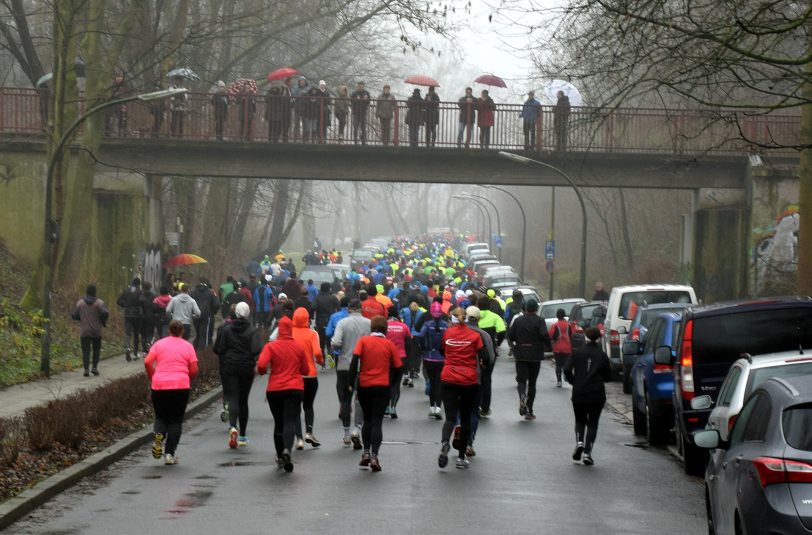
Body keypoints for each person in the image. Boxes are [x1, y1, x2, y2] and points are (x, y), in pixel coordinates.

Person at [348, 315, 402, 472]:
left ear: (371, 327)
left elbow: (354, 361)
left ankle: (365, 453)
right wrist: (391, 384)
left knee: (367, 420)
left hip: (365, 385)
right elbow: (399, 368)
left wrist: (351, 383)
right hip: (382, 386)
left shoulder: (363, 341)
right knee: (377, 422)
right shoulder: (389, 344)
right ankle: (374, 456)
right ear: (385, 329)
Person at [256, 316, 310, 472]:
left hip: (275, 390)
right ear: (291, 329)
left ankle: (280, 455)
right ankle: (287, 449)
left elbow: (261, 365)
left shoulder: (271, 346)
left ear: (278, 329)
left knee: (278, 422)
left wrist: (261, 372)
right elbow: (305, 370)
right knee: (290, 421)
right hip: (294, 388)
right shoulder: (298, 347)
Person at [144, 320, 198, 465]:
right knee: (175, 420)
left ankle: (158, 437)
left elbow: (148, 362)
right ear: (182, 332)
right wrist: (186, 378)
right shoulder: (188, 346)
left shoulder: (159, 344)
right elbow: (194, 370)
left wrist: (153, 376)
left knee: (161, 417)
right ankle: (169, 455)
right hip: (180, 386)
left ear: (169, 331)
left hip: (159, 385)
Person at [437, 307, 483, 470]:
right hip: (468, 381)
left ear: (453, 319)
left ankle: (444, 443)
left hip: (448, 377)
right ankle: (461, 458)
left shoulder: (447, 334)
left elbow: (442, 350)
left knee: (450, 418)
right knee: (465, 419)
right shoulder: (475, 336)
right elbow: (482, 354)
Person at [214, 302, 262, 449]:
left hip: (230, 366)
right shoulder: (253, 331)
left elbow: (218, 348)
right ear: (248, 314)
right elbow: (256, 349)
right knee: (243, 401)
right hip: (246, 367)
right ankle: (242, 436)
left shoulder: (227, 330)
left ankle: (233, 427)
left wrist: (228, 354)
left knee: (233, 397)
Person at [563, 327, 611, 466]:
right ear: (598, 339)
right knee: (593, 422)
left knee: (580, 419)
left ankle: (579, 442)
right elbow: (608, 376)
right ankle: (587, 453)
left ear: (585, 337)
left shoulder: (577, 352)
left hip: (579, 391)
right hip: (596, 392)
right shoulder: (601, 355)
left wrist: (573, 381)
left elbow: (566, 369)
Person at [331, 298, 371, 448]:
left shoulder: (342, 323)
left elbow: (335, 342)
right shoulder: (368, 323)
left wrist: (339, 348)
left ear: (349, 309)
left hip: (345, 366)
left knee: (346, 401)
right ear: (361, 309)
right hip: (363, 367)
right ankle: (357, 429)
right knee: (360, 400)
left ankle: (346, 434)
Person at [507, 299, 551, 420]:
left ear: (525, 308)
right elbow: (543, 334)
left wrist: (517, 344)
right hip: (535, 355)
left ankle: (522, 395)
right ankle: (529, 410)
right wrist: (548, 345)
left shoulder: (518, 320)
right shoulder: (540, 321)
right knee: (532, 383)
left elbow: (510, 335)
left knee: (521, 380)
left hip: (521, 354)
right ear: (536, 309)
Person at [290, 307, 324, 449]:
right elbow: (317, 352)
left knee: (295, 407)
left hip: (294, 374)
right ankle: (309, 432)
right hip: (310, 375)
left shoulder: (289, 333)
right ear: (307, 319)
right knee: (308, 405)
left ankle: (299, 439)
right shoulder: (312, 333)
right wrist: (320, 361)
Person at [464, 306, 495, 456]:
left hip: (454, 377)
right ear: (479, 319)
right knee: (473, 411)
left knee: (459, 409)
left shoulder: (456, 333)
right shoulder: (484, 335)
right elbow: (490, 357)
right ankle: (469, 442)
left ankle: (458, 430)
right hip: (475, 377)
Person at [71, 284, 109, 377]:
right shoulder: (99, 303)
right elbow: (105, 312)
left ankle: (86, 369)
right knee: (96, 350)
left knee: (86, 351)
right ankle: (94, 367)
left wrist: (81, 317)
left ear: (86, 292)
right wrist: (103, 321)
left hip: (85, 331)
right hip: (97, 331)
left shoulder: (80, 303)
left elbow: (74, 315)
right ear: (95, 292)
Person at [418, 301, 448, 419]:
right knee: (440, 383)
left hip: (428, 357)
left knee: (432, 382)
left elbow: (420, 336)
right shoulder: (445, 325)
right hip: (441, 358)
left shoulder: (427, 324)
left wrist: (424, 348)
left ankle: (431, 406)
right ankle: (438, 408)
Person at [384, 307, 411, 418]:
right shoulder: (404, 327)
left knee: (386, 384)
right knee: (396, 385)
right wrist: (408, 362)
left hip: (386, 358)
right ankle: (393, 407)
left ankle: (386, 407)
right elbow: (409, 344)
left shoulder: (384, 326)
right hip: (401, 358)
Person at [117, 277, 143, 361]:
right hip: (137, 315)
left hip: (127, 314)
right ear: (139, 284)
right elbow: (142, 302)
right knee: (136, 334)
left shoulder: (126, 291)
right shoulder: (139, 292)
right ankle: (135, 353)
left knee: (128, 333)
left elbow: (118, 301)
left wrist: (125, 305)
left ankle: (127, 347)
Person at [314, 282, 339, 368]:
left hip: (320, 322)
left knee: (321, 343)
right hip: (330, 322)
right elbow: (339, 307)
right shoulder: (333, 298)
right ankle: (331, 354)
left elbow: (313, 307)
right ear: (329, 288)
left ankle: (323, 363)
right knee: (330, 342)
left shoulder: (317, 298)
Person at [190, 279, 220, 349]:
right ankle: (203, 353)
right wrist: (213, 312)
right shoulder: (210, 292)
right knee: (204, 335)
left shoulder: (193, 292)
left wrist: (192, 312)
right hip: (207, 315)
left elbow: (189, 303)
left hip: (196, 315)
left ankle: (195, 351)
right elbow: (216, 304)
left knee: (198, 334)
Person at [550, 308, 573, 387]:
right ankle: (566, 375)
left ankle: (559, 381)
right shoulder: (569, 325)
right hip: (567, 347)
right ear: (564, 315)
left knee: (558, 365)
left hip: (557, 348)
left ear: (557, 316)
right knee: (566, 364)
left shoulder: (555, 325)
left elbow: (550, 336)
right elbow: (572, 335)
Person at [139, 281, 157, 354]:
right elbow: (155, 307)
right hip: (151, 317)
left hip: (142, 317)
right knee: (150, 333)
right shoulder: (153, 296)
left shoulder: (140, 296)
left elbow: (138, 305)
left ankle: (144, 349)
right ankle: (148, 344)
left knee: (143, 333)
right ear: (150, 287)